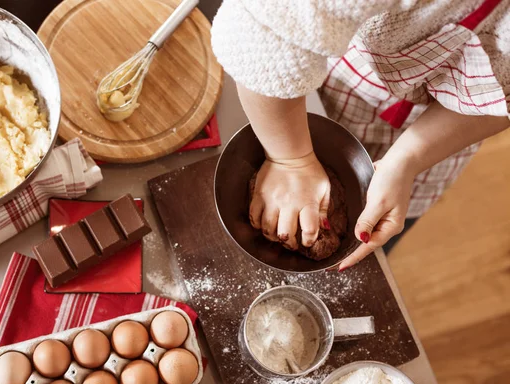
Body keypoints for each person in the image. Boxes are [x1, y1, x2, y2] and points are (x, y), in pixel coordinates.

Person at [211, 0, 510, 270]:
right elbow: (262, 31)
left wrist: (405, 161)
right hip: (329, 82)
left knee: (374, 235)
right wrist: (290, 158)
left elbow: (502, 97)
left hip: (441, 136)